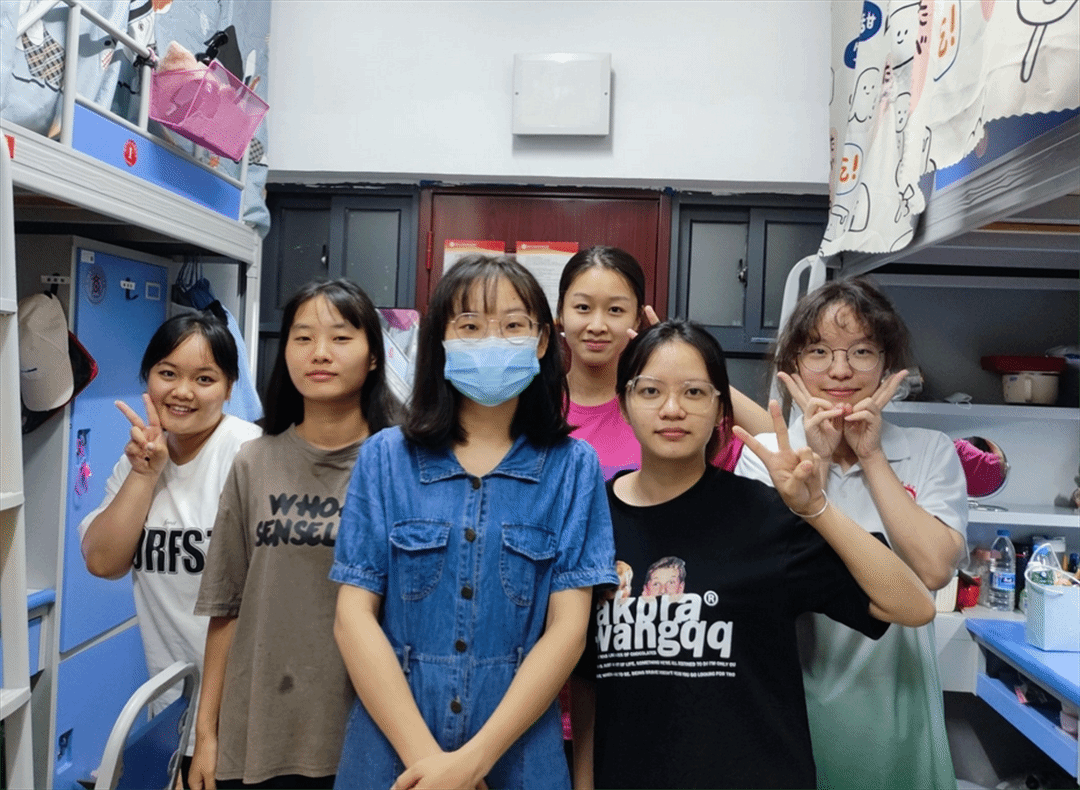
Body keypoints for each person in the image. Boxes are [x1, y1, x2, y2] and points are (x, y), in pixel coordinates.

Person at [571, 319, 935, 790]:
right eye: (651, 391)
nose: (672, 409)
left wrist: (815, 508)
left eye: (695, 392)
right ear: (623, 403)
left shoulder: (763, 516)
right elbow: (587, 681)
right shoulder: (592, 522)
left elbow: (913, 605)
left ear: (721, 410)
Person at [330, 254, 618, 790]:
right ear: (440, 341)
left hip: (518, 753)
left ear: (541, 341)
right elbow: (353, 617)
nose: (491, 341)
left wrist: (472, 762)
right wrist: (432, 767)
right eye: (469, 326)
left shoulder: (573, 468)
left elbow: (568, 630)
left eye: (512, 325)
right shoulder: (385, 459)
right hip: (393, 756)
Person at [735, 278, 967, 790]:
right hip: (792, 706)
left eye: (861, 352)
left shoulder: (930, 451)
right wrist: (815, 461)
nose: (840, 371)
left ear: (887, 364)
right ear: (794, 365)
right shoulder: (766, 459)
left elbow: (933, 570)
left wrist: (870, 453)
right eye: (819, 351)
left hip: (898, 711)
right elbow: (766, 583)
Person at [189, 280, 399, 790]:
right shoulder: (254, 461)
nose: (319, 353)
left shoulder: (403, 465)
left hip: (371, 730)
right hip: (261, 733)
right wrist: (206, 733)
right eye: (302, 338)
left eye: (341, 337)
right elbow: (227, 607)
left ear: (373, 355)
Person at [79, 312, 261, 782]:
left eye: (204, 379)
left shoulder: (250, 455)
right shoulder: (142, 458)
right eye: (168, 373)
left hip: (248, 717)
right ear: (148, 378)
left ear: (230, 386)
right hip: (175, 711)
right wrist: (145, 474)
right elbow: (102, 561)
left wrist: (211, 730)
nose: (183, 391)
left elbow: (248, 603)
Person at [556, 246, 771, 480]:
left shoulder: (669, 407)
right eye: (583, 308)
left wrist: (690, 367)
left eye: (615, 310)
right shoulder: (537, 403)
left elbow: (773, 442)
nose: (597, 326)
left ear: (637, 319)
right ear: (561, 313)